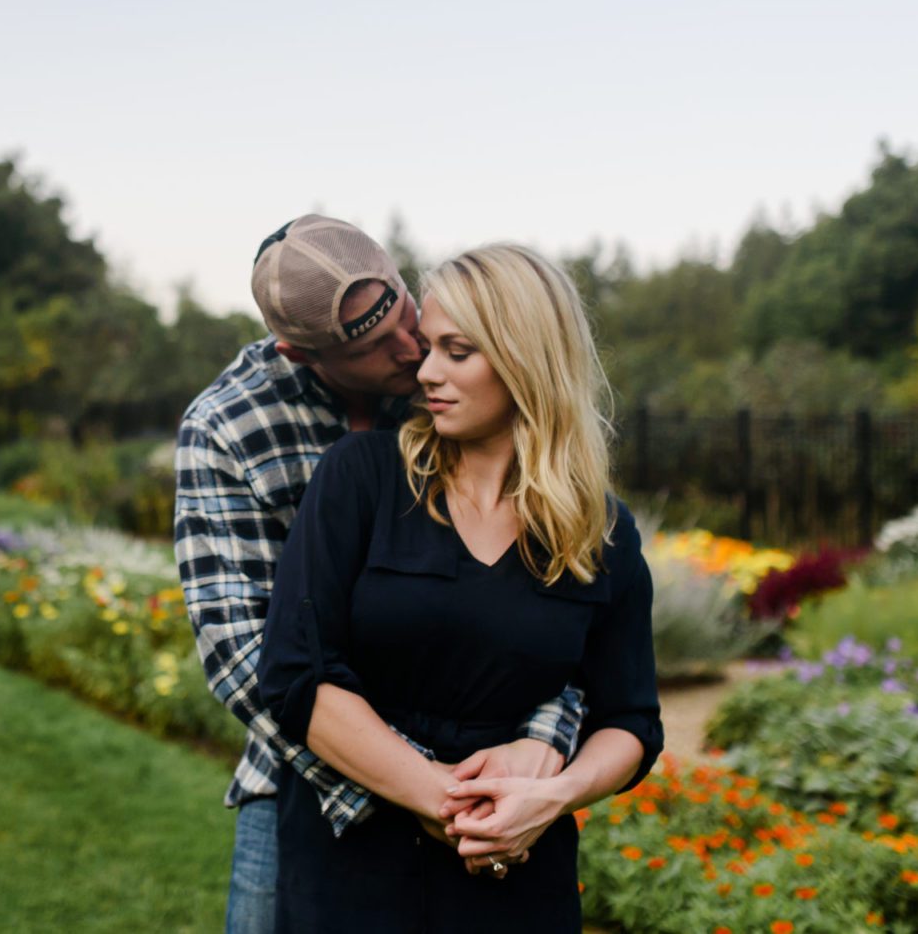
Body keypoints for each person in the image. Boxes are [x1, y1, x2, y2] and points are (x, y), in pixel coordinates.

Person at [174, 217, 585, 934]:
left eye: (403, 310)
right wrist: (421, 787)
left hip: (484, 777)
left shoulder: (453, 373)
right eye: (374, 347)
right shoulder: (227, 428)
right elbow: (246, 656)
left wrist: (532, 756)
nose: (413, 351)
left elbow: (562, 617)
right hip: (313, 781)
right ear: (300, 353)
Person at [256, 242, 663, 932]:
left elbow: (630, 720)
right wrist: (449, 801)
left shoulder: (601, 530)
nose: (426, 370)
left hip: (517, 878)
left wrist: (553, 797)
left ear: (524, 360)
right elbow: (298, 678)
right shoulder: (362, 477)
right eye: (430, 346)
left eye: (457, 350)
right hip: (352, 873)